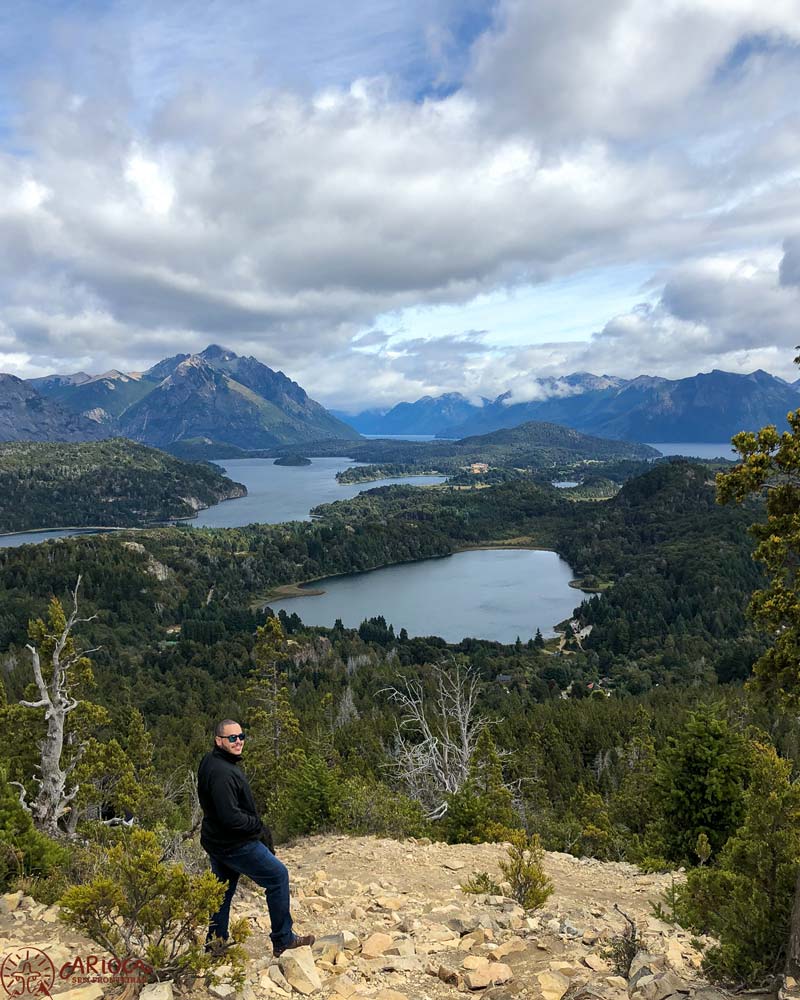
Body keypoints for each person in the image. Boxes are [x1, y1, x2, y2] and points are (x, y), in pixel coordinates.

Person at [197, 718, 315, 957]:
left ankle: (215, 945)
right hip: (235, 844)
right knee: (277, 876)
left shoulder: (213, 761)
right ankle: (283, 939)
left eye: (241, 737)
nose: (238, 741)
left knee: (222, 891)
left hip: (217, 842)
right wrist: (258, 827)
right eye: (232, 738)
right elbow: (230, 818)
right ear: (218, 740)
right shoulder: (223, 773)